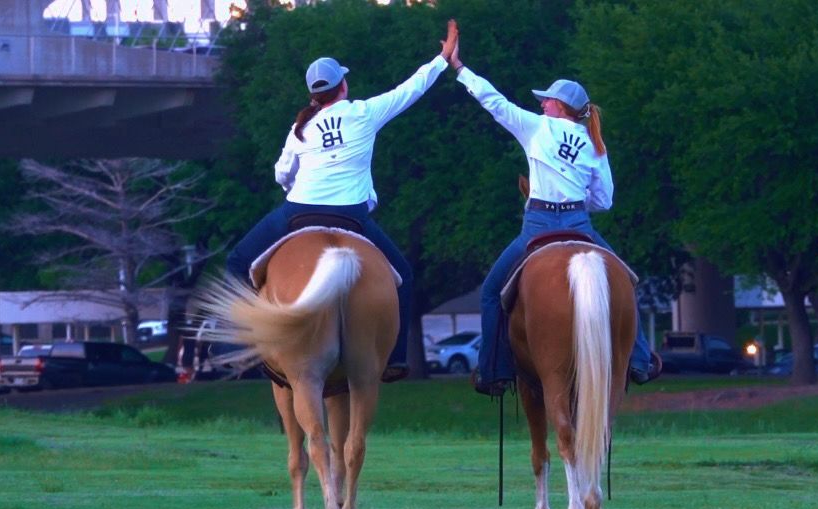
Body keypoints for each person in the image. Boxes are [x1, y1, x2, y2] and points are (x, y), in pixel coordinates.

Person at [226, 20, 460, 383]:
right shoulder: (364, 113)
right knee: (404, 274)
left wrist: (295, 187)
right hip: (352, 215)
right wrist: (442, 59)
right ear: (343, 86)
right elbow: (411, 88)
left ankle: (229, 345)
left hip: (298, 210)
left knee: (238, 261)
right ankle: (396, 358)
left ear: (312, 95)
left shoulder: (299, 128)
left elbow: (281, 174)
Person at [447, 43, 662, 395]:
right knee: (625, 281)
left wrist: (460, 68)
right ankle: (639, 361)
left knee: (491, 292)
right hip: (579, 224)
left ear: (559, 106)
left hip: (538, 224)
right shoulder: (594, 143)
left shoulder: (537, 127)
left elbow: (494, 102)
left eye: (546, 100)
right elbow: (604, 201)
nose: (542, 104)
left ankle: (493, 370)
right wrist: (575, 199)